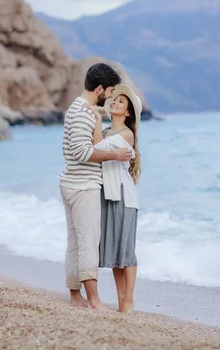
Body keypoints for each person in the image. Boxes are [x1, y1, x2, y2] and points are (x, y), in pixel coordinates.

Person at [58, 63, 133, 310]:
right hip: (82, 185)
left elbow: (71, 149)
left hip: (72, 182)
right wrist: (114, 156)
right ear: (99, 88)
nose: (110, 96)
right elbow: (81, 152)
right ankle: (93, 300)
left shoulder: (81, 109)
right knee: (88, 242)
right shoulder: (82, 111)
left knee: (76, 242)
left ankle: (75, 295)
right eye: (109, 91)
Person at [84, 84, 142, 313]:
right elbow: (93, 150)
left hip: (123, 197)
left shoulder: (127, 134)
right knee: (117, 253)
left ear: (127, 113)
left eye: (121, 101)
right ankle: (121, 299)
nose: (115, 102)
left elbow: (96, 148)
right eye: (115, 99)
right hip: (108, 196)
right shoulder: (108, 131)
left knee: (126, 252)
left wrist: (96, 118)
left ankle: (128, 298)